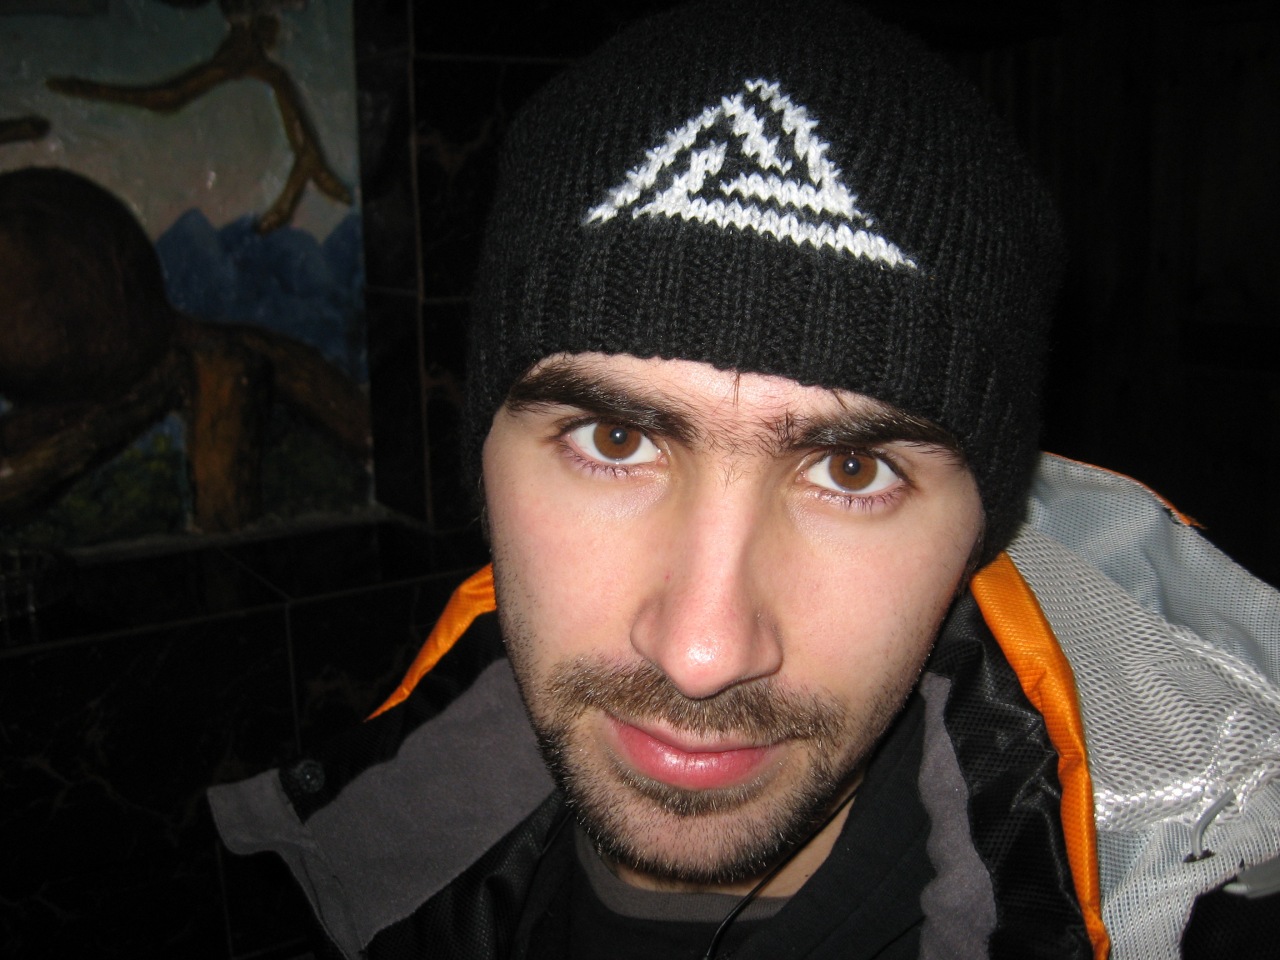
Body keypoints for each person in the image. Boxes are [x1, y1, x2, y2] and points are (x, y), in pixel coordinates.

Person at [208, 1, 1280, 957]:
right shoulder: (373, 857)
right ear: (482, 465)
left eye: (850, 467)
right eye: (614, 440)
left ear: (980, 528)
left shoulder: (1212, 912)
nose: (702, 653)